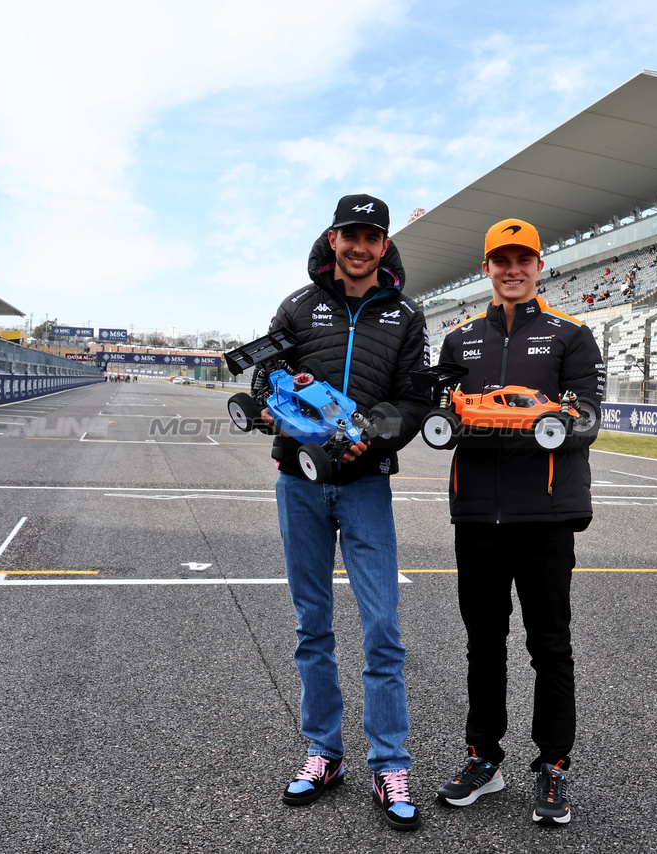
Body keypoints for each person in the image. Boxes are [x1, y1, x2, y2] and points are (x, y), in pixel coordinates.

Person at [434, 217, 603, 827]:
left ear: (539, 265)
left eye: (523, 259)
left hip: (546, 516)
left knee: (550, 646)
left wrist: (548, 425)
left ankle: (554, 765)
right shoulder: (458, 341)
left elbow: (588, 415)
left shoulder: (572, 335)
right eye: (501, 260)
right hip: (476, 513)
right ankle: (484, 756)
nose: (512, 270)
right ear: (486, 268)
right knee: (483, 644)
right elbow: (439, 411)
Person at [269, 194, 429, 832]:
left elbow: (414, 400)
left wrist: (376, 434)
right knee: (312, 627)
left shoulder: (406, 314)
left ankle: (389, 762)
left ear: (384, 245)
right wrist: (270, 409)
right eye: (350, 234)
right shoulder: (296, 306)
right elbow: (266, 379)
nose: (360, 246)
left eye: (373, 236)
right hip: (298, 481)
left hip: (366, 487)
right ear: (332, 239)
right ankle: (323, 752)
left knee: (382, 628)